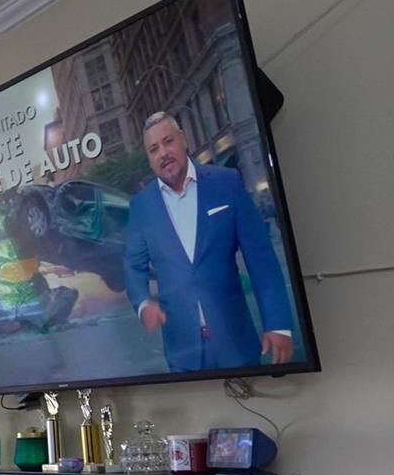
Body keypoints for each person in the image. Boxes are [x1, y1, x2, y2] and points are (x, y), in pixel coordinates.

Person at [123, 112, 295, 371]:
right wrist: (143, 303)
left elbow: (262, 260)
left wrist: (278, 324)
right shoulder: (141, 206)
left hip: (236, 345)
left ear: (183, 139)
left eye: (168, 141)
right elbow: (132, 267)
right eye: (154, 149)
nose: (163, 153)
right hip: (183, 354)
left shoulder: (226, 183)